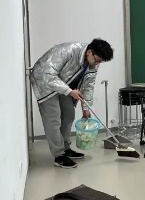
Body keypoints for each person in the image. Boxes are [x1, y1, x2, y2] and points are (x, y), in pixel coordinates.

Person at [30, 39, 114, 168]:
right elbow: (47, 74)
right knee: (53, 119)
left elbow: (89, 86)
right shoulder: (68, 51)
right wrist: (69, 91)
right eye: (97, 60)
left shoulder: (94, 62)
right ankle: (58, 155)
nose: (98, 63)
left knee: (69, 114)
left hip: (63, 84)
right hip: (44, 82)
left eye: (100, 62)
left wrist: (86, 108)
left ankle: (65, 148)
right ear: (89, 52)